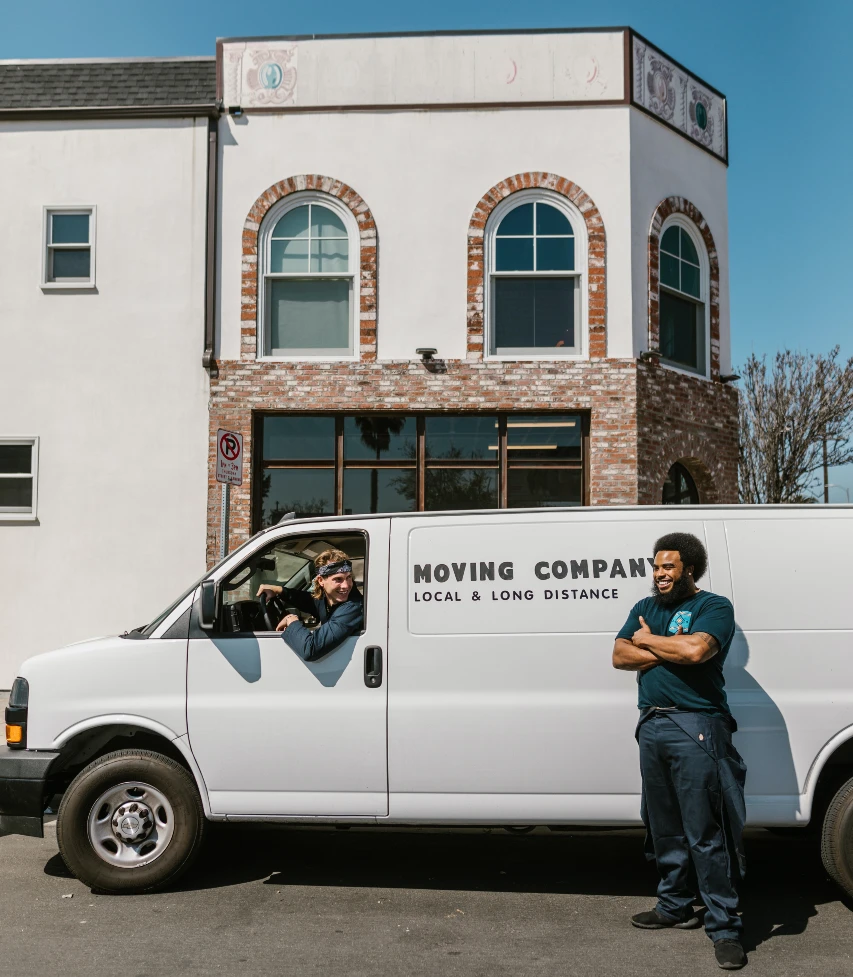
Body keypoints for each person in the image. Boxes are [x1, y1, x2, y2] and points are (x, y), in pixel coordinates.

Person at [612, 532, 747, 971]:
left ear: (690, 568)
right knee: (663, 823)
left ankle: (725, 927)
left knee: (705, 831)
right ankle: (673, 905)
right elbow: (618, 655)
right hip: (652, 723)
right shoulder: (644, 607)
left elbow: (696, 650)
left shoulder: (714, 607)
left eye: (667, 567)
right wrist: (660, 648)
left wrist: (648, 643)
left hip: (697, 726)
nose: (659, 575)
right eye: (655, 566)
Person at [256, 548, 363, 661]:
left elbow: (310, 649)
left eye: (348, 577)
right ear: (321, 580)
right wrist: (278, 590)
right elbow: (309, 601)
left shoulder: (352, 607)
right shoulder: (330, 600)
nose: (346, 585)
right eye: (338, 579)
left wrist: (291, 621)